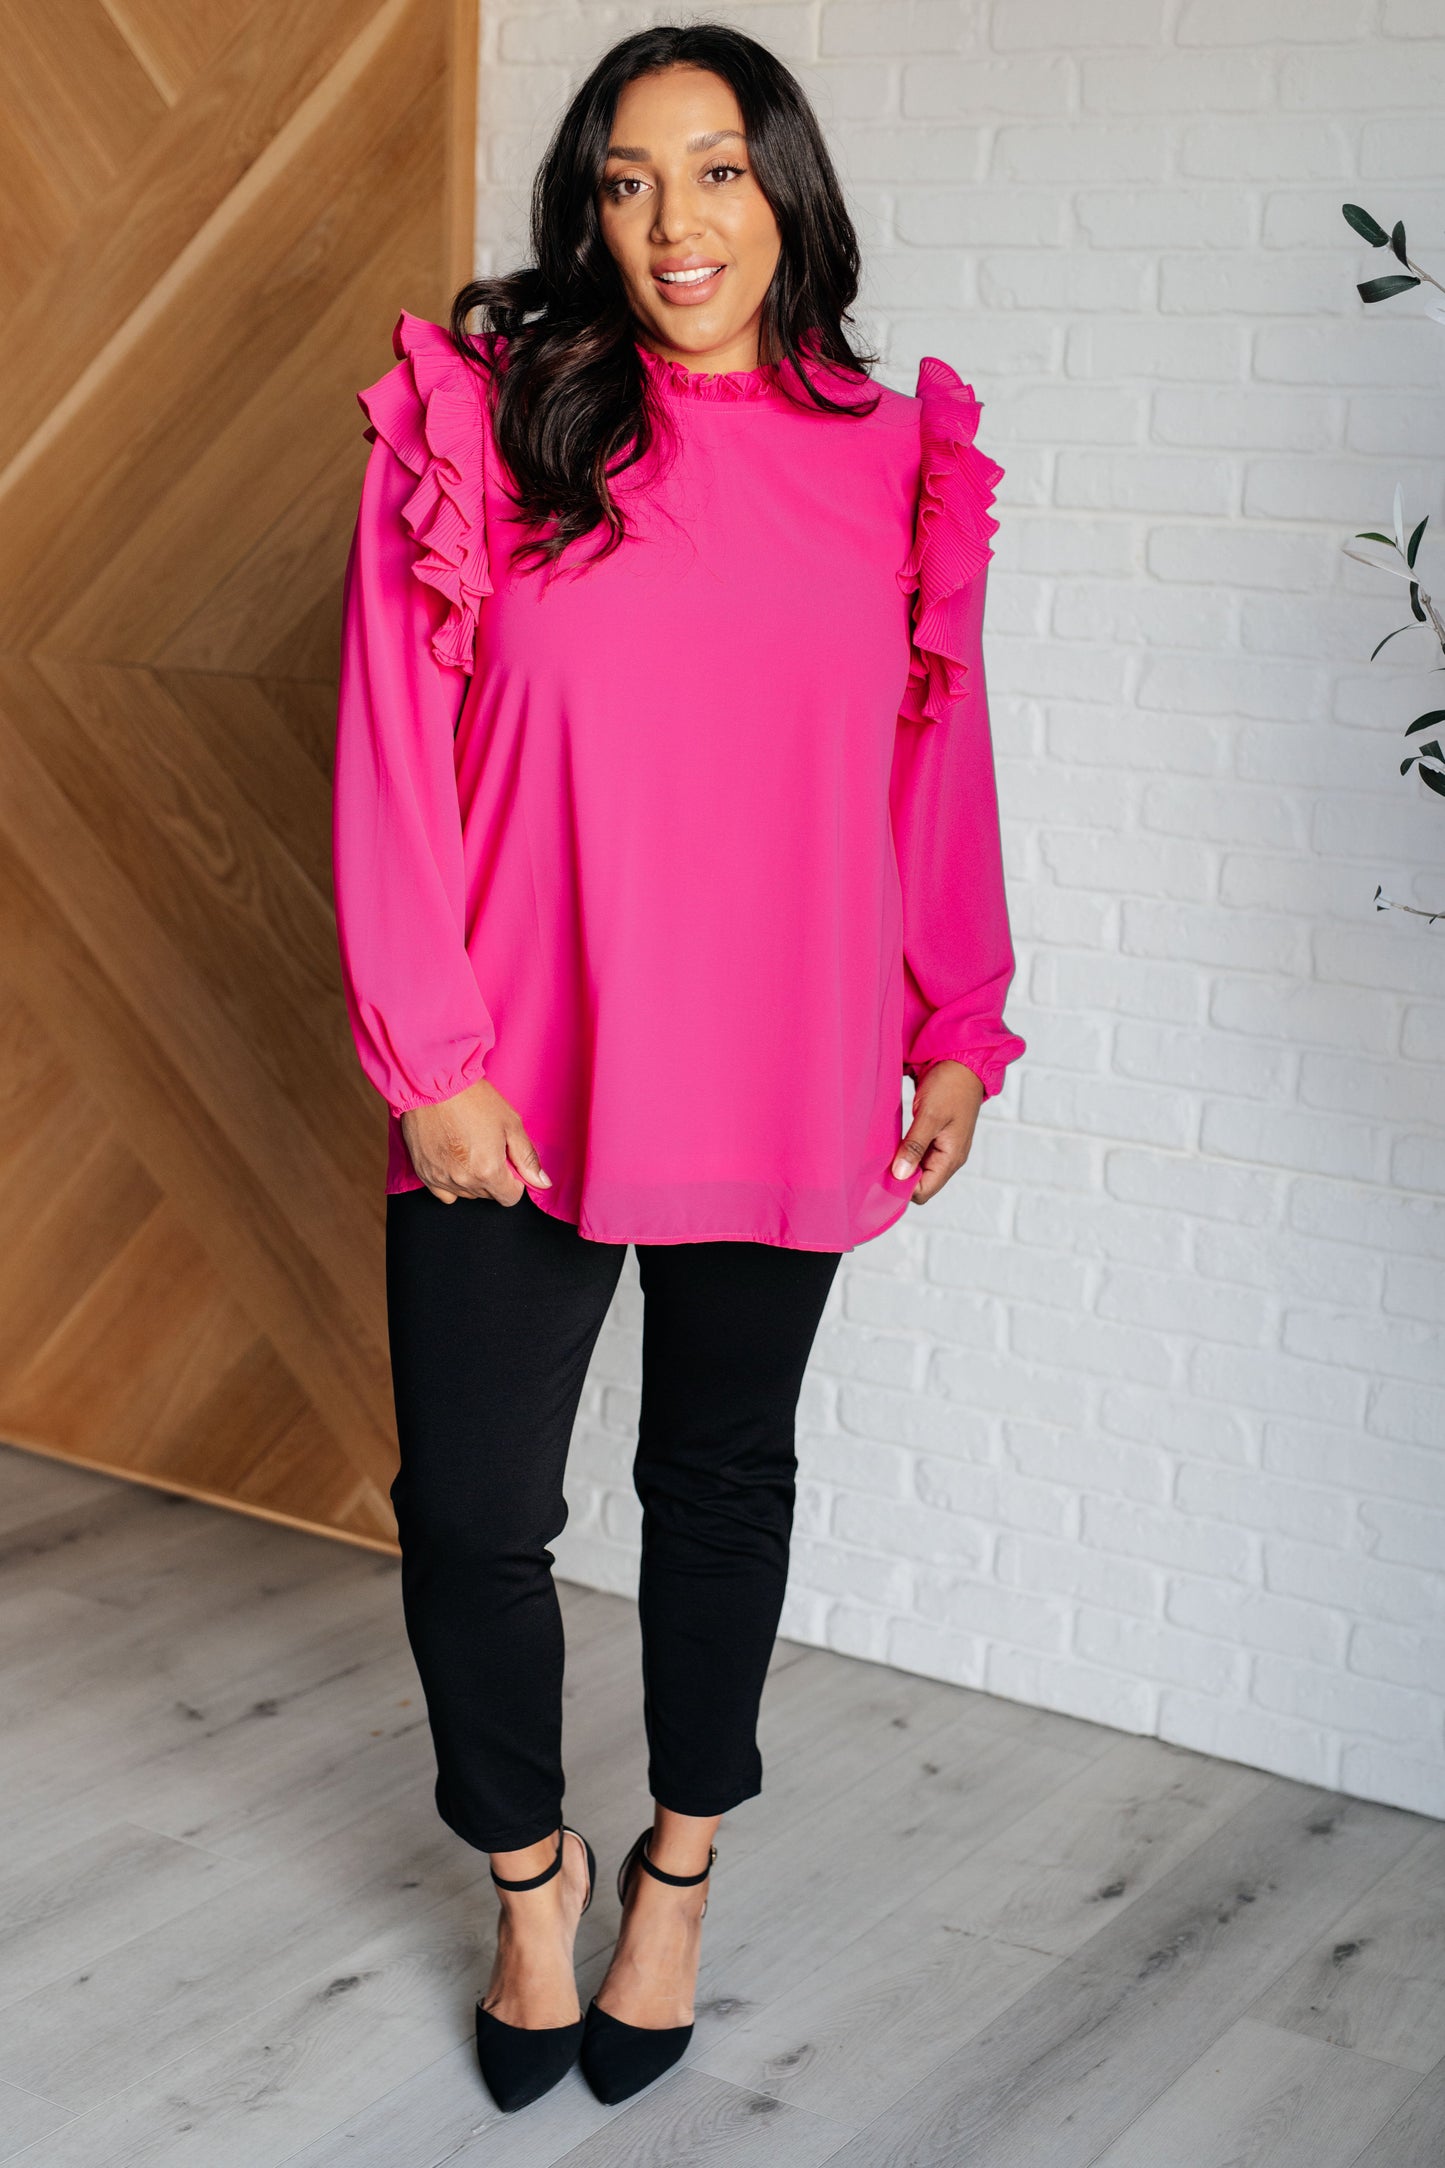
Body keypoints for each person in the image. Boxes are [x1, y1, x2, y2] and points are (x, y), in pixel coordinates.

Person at [331, 18, 1025, 2120]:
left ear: (789, 190)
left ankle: (678, 1879)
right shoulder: (484, 419)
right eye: (627, 180)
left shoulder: (892, 455)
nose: (674, 223)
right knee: (470, 1509)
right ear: (585, 207)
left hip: (783, 1048)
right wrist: (428, 1051)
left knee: (720, 1483)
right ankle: (527, 1880)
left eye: (716, 170)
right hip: (510, 1073)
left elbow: (935, 757)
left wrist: (955, 1016)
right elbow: (387, 756)